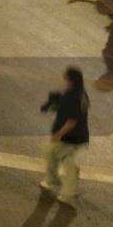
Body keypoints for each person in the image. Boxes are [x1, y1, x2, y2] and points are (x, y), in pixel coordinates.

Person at [40, 66, 90, 207]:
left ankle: (66, 193)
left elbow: (71, 121)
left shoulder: (73, 97)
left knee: (65, 163)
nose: (64, 79)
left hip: (70, 137)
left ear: (70, 79)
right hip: (80, 136)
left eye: (66, 77)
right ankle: (53, 181)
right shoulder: (81, 94)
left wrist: (58, 134)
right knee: (52, 154)